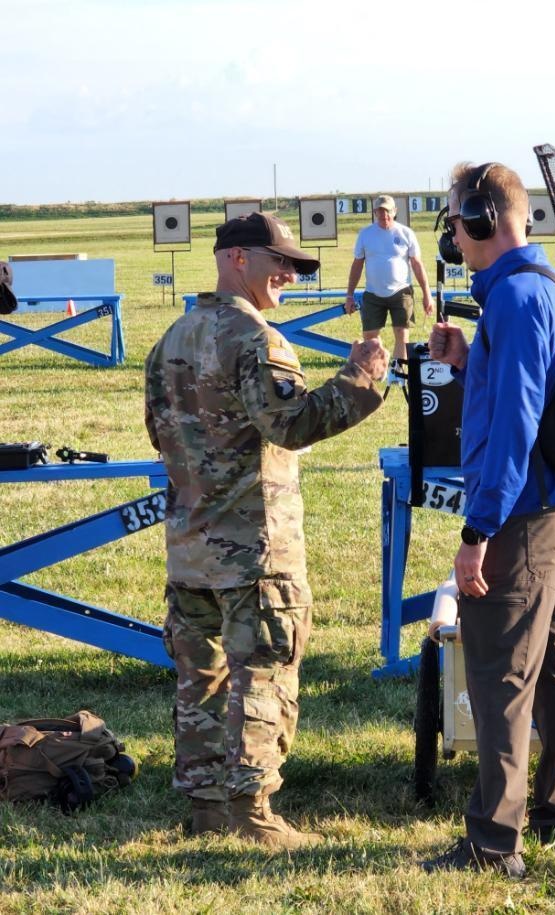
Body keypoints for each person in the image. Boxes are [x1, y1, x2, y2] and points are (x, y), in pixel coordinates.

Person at [145, 212, 388, 848]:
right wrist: (363, 377)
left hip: (190, 545)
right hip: (255, 546)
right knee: (263, 673)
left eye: (294, 266)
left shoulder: (171, 337)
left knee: (201, 677)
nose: (286, 274)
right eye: (276, 261)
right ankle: (251, 812)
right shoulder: (257, 339)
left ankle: (204, 807)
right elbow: (294, 425)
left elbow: (161, 435)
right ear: (235, 260)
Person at [422, 162, 555, 879]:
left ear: (486, 219)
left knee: (500, 676)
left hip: (521, 514)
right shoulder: (536, 288)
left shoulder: (516, 299)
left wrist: (476, 532)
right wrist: (468, 363)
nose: (454, 238)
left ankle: (495, 842)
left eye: (457, 223)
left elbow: (516, 427)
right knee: (554, 663)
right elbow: (525, 395)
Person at [344, 194, 433, 382]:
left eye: (387, 211)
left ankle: (398, 374)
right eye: (380, 211)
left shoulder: (406, 233)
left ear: (394, 211)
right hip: (373, 293)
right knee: (370, 337)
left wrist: (427, 294)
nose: (384, 215)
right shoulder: (366, 234)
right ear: (375, 212)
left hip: (401, 291)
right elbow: (357, 265)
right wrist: (349, 295)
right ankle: (374, 371)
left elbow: (417, 264)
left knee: (402, 334)